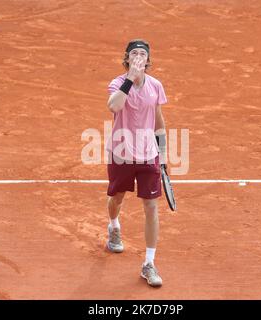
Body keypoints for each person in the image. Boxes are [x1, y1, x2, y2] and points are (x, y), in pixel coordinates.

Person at [105, 39, 168, 287]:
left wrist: (162, 156)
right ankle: (114, 226)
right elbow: (114, 106)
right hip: (121, 151)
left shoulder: (155, 86)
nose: (139, 56)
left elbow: (159, 123)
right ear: (128, 59)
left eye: (143, 53)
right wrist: (130, 79)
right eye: (135, 53)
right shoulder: (118, 83)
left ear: (148, 60)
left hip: (148, 154)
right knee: (117, 197)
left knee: (151, 207)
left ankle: (149, 263)